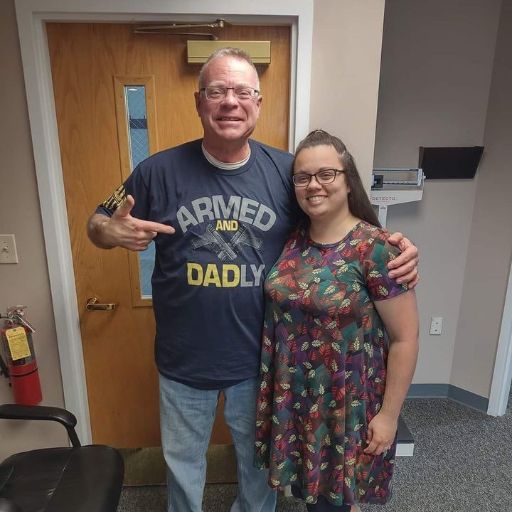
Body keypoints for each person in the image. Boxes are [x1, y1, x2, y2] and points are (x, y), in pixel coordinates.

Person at [87, 49, 419, 512]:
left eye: (243, 91)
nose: (230, 102)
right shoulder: (156, 171)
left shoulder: (286, 173)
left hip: (263, 363)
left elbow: (334, 223)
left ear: (258, 104)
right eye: (217, 91)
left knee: (260, 467)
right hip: (182, 361)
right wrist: (107, 230)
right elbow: (98, 221)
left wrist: (393, 244)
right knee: (182, 466)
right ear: (199, 101)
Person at [254, 129, 419, 512]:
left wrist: (390, 415)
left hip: (346, 404)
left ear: (348, 180)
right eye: (303, 177)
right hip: (294, 398)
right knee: (315, 498)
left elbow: (405, 339)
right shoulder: (292, 239)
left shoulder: (377, 249)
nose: (314, 185)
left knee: (336, 502)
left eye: (326, 174)